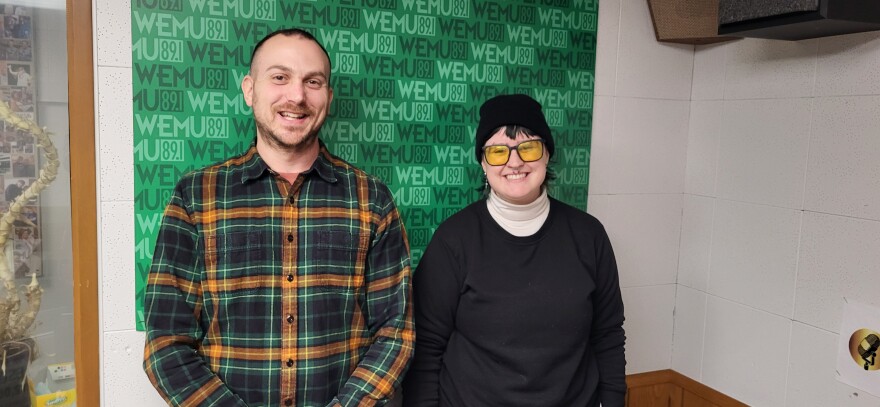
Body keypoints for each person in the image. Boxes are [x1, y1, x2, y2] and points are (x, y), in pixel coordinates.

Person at [143, 28, 414, 406]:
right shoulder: (196, 196)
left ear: (329, 97)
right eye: (280, 77)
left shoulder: (372, 199)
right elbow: (166, 342)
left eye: (313, 81)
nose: (297, 95)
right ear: (250, 89)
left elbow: (394, 331)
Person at [402, 94, 626, 406]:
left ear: (547, 154)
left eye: (529, 147)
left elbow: (608, 335)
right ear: (483, 162)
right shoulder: (453, 241)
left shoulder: (589, 236)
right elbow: (425, 347)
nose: (514, 162)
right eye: (497, 151)